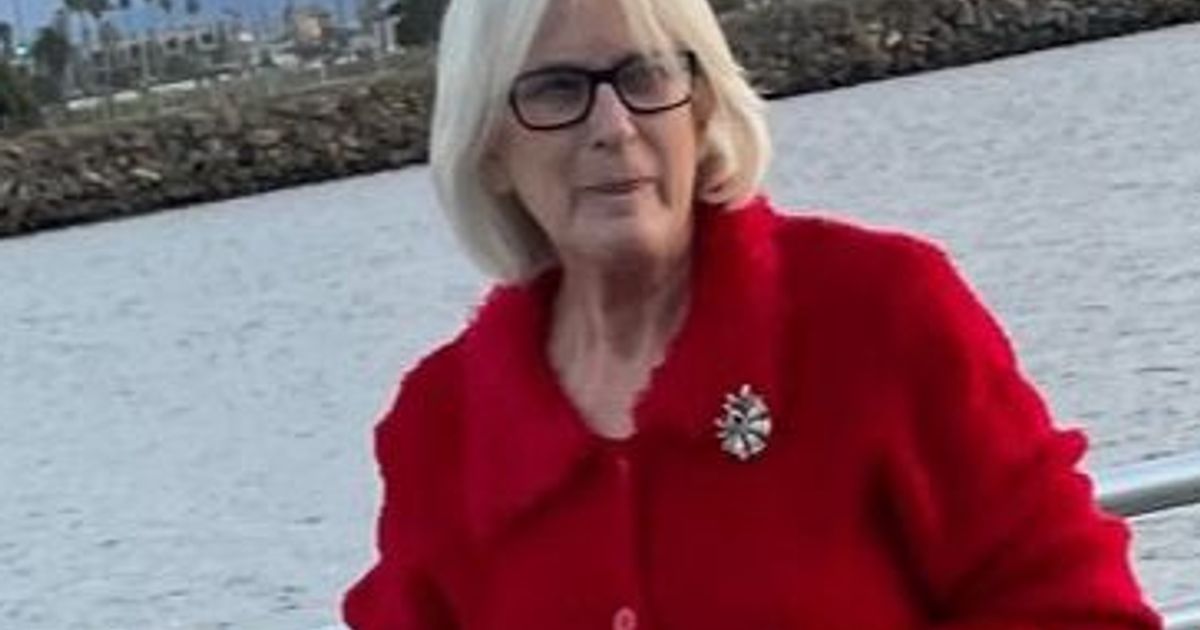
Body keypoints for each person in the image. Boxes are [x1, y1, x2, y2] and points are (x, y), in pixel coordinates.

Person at [343, 0, 1162, 627]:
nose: (614, 127)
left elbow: (1075, 608)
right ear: (490, 147)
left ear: (701, 107)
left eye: (646, 76)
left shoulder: (877, 311)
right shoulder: (439, 427)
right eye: (556, 90)